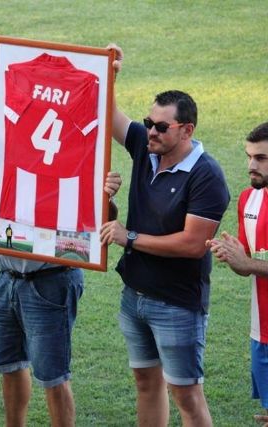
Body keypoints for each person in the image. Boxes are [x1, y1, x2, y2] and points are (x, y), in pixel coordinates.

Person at [100, 44, 230, 426]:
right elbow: (109, 116)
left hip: (177, 303)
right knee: (145, 382)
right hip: (135, 295)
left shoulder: (207, 176)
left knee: (187, 396)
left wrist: (131, 238)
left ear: (187, 130)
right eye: (148, 122)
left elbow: (192, 245)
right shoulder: (146, 146)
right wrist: (112, 73)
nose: (150, 131)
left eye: (161, 126)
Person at [0, 130, 122, 426]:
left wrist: (105, 196)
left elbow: (101, 222)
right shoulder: (3, 136)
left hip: (51, 279)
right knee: (9, 366)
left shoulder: (78, 144)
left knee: (53, 376)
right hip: (6, 278)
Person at [207, 122, 268, 427]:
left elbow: (251, 265)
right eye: (249, 156)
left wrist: (248, 264)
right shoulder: (249, 199)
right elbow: (248, 264)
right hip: (262, 329)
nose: (251, 166)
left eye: (261, 158)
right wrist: (232, 255)